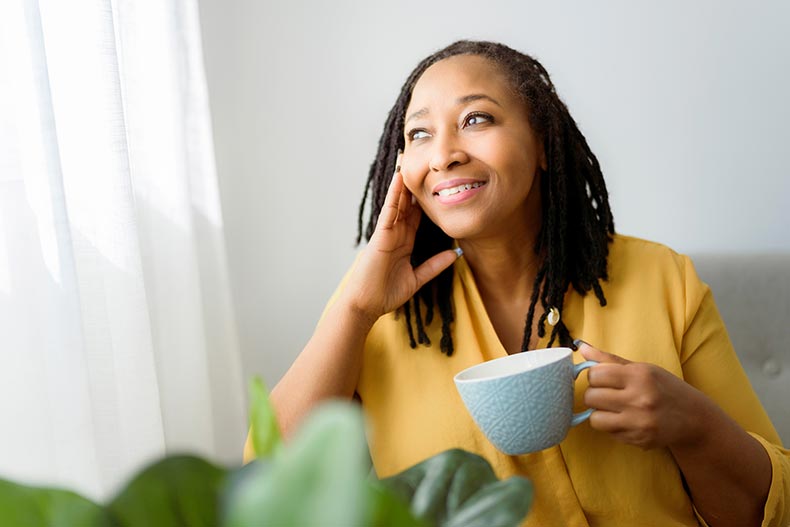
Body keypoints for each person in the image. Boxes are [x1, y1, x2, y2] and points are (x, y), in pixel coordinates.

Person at [249, 40, 789, 526]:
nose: (444, 154)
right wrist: (354, 312)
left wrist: (690, 424)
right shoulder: (374, 311)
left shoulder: (665, 280)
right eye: (419, 134)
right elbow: (267, 488)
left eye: (477, 119)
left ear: (545, 145)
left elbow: (763, 511)